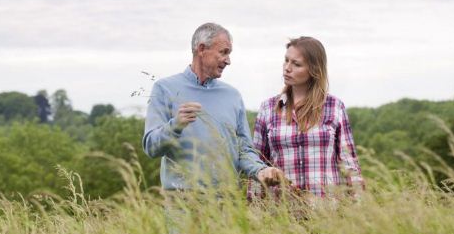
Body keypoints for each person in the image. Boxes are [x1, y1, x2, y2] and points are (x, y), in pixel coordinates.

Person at [142, 23, 284, 192]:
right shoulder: (164, 88)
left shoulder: (233, 95)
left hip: (228, 203)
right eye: (224, 52)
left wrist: (260, 170)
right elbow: (151, 148)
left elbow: (244, 149)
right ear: (202, 49)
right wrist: (176, 125)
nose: (228, 61)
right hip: (181, 204)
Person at [248, 36, 364, 200]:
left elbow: (349, 163)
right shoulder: (268, 109)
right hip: (281, 213)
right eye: (286, 61)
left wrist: (361, 207)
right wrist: (253, 209)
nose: (287, 68)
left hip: (328, 212)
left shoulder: (334, 107)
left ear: (314, 69)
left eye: (296, 64)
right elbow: (258, 164)